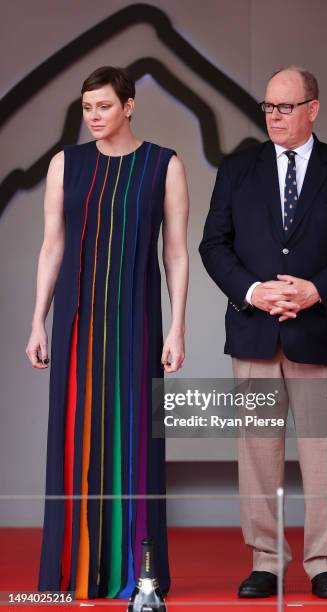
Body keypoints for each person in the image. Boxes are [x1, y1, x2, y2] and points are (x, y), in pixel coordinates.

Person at [199, 66, 327, 599]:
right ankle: (266, 561)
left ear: (313, 108)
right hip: (255, 330)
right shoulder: (238, 169)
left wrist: (316, 290)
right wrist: (254, 292)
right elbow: (215, 245)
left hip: (321, 331)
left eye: (285, 107)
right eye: (268, 107)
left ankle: (324, 561)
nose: (274, 117)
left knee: (323, 453)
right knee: (256, 452)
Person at [26, 66, 189, 599]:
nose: (94, 117)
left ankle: (137, 576)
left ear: (129, 105)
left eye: (103, 107)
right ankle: (72, 573)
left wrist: (178, 327)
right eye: (87, 108)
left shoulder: (164, 165)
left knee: (135, 442)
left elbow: (176, 254)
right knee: (75, 442)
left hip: (137, 324)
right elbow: (52, 247)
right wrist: (37, 321)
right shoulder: (64, 164)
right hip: (76, 324)